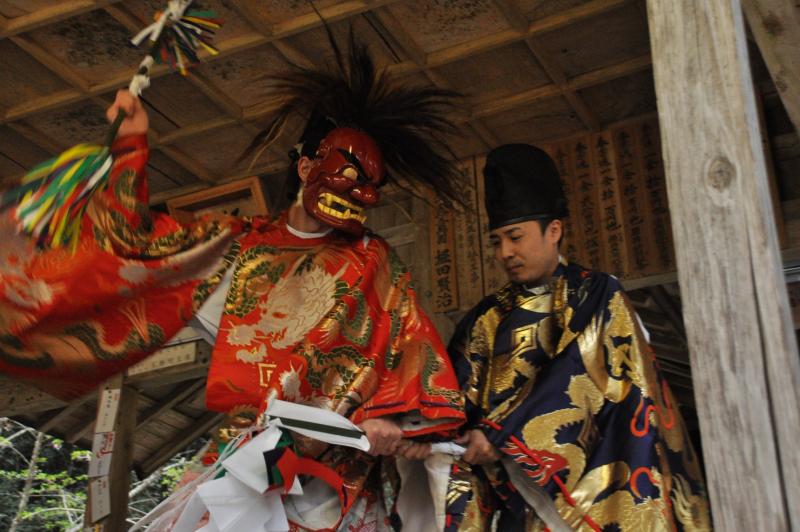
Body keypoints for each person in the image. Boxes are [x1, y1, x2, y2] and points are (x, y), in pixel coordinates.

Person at [0, 34, 464, 530]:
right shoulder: (237, 246)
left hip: (340, 475)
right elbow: (129, 248)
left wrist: (389, 422)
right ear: (307, 166)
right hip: (250, 462)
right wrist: (129, 147)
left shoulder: (375, 260)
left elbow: (416, 357)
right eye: (347, 175)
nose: (362, 197)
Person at [442, 144, 712, 531]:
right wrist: (426, 430)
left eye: (515, 237)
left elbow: (580, 371)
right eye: (496, 241)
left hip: (598, 493)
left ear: (554, 230)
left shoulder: (598, 294)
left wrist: (501, 433)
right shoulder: (487, 317)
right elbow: (454, 387)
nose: (505, 252)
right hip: (517, 499)